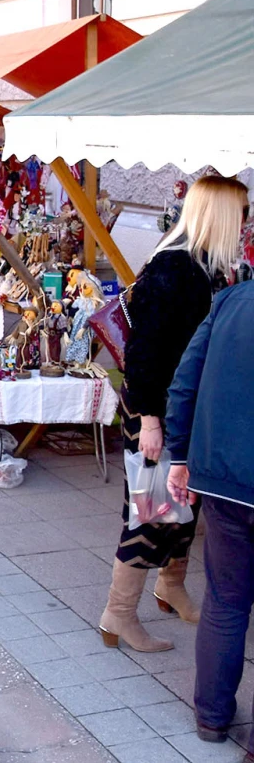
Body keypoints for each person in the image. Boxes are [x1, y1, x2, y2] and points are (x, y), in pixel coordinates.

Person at [98, 175, 249, 654]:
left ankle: (171, 587)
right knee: (152, 513)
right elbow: (143, 353)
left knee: (185, 510)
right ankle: (118, 614)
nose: (247, 223)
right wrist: (149, 420)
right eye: (242, 214)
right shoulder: (173, 268)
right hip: (157, 412)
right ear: (222, 216)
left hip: (189, 413)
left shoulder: (215, 268)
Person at [164, 277, 254, 746]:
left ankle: (212, 719)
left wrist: (180, 456)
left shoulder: (230, 301)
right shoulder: (228, 299)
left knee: (225, 600)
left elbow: (185, 382)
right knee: (225, 600)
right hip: (226, 481)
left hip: (225, 481)